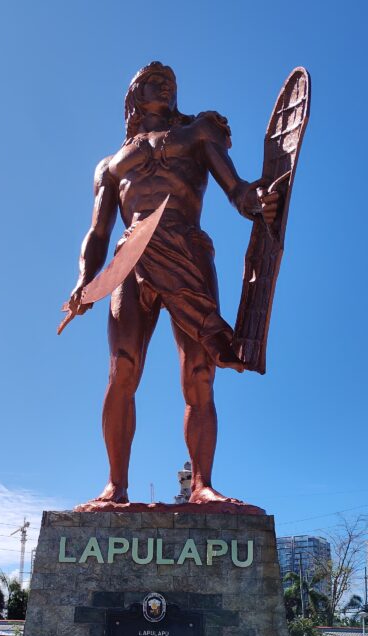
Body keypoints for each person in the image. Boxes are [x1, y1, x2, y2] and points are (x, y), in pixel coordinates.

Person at [68, 62, 280, 505]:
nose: (164, 83)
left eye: (170, 80)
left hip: (187, 249)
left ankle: (202, 485)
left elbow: (237, 191)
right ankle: (116, 485)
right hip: (130, 261)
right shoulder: (109, 166)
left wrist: (258, 201)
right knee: (123, 367)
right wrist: (85, 281)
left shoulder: (198, 133)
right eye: (152, 78)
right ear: (133, 94)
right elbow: (99, 233)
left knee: (199, 373)